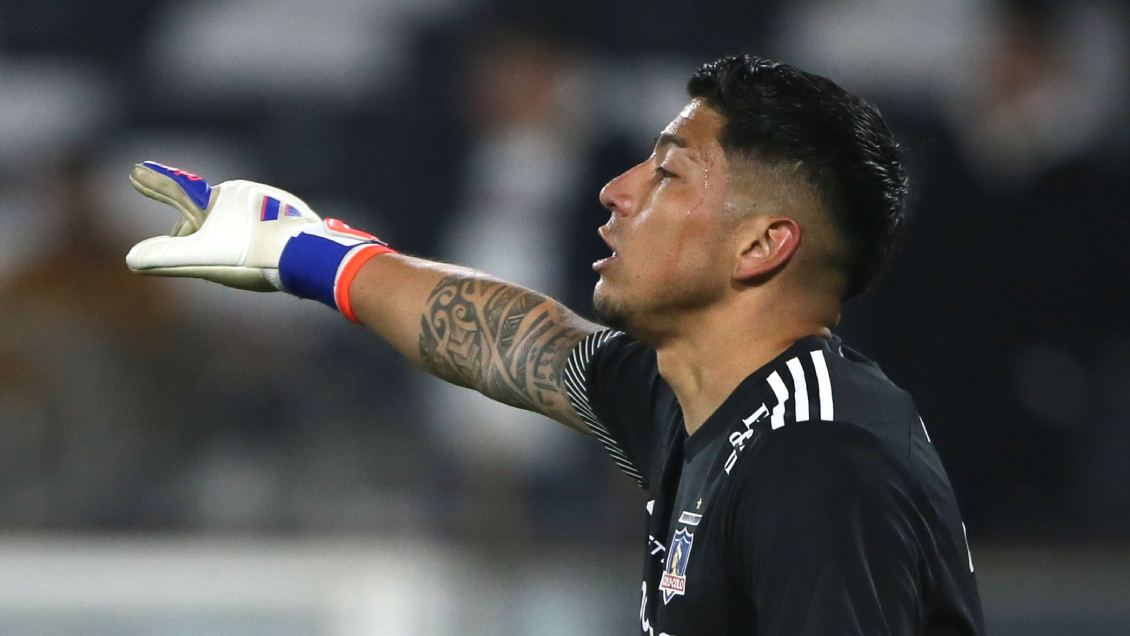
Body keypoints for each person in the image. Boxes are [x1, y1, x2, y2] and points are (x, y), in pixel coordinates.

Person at [124, 54, 986, 635]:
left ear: (761, 245)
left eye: (668, 172)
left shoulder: (817, 457)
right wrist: (307, 252)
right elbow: (516, 343)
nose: (616, 190)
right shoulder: (698, 400)